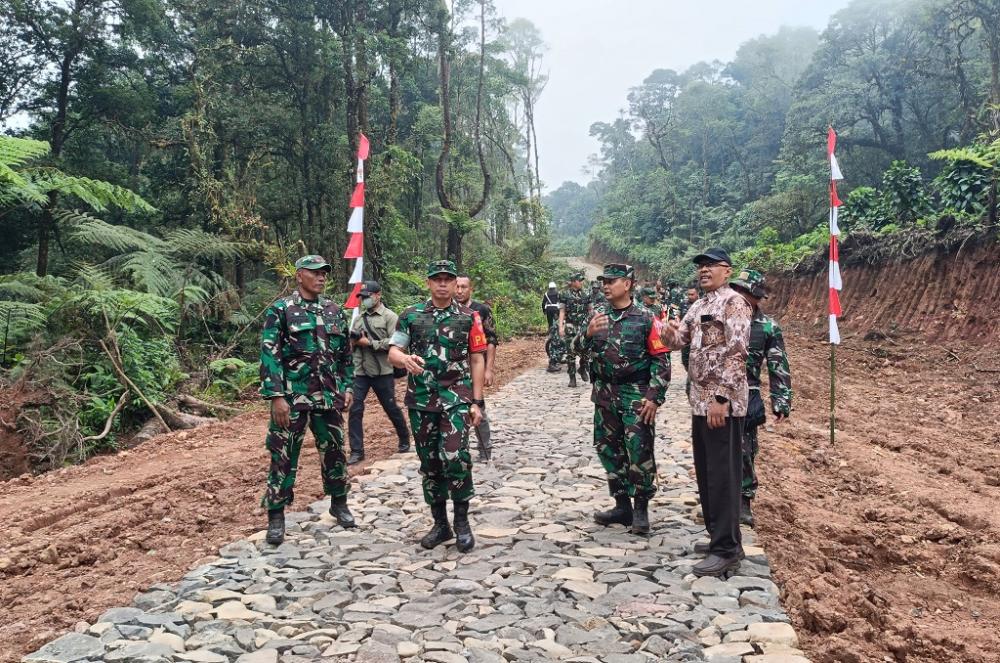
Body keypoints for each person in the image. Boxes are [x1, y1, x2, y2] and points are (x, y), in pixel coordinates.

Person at [660, 247, 751, 577]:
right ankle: (720, 537)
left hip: (721, 405)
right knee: (707, 472)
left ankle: (727, 549)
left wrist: (722, 398)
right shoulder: (698, 305)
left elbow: (738, 352)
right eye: (700, 266)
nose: (704, 270)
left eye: (711, 265)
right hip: (699, 402)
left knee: (723, 475)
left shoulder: (734, 303)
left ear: (727, 270)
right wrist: (668, 333)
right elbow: (678, 342)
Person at [389, 260, 487, 553]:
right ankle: (440, 523)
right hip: (421, 401)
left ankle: (462, 523)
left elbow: (477, 358)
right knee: (430, 465)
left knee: (456, 457)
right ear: (429, 283)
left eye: (448, 279)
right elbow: (394, 350)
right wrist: (403, 359)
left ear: (456, 283)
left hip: (456, 399)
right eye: (437, 279)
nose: (442, 284)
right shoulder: (411, 316)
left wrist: (477, 401)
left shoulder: (469, 318)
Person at [259, 255, 356, 545]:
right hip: (292, 398)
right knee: (283, 456)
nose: (322, 277)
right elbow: (269, 354)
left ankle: (339, 503)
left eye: (324, 273)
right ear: (299, 275)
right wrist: (276, 395)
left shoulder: (333, 310)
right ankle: (276, 516)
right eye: (315, 273)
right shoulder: (281, 310)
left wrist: (348, 386)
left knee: (336, 451)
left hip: (328, 397)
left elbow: (345, 356)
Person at [575, 264, 670, 535]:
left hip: (635, 394)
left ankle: (640, 508)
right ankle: (621, 505)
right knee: (608, 448)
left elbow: (661, 360)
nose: (606, 285)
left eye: (612, 281)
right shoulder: (598, 316)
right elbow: (575, 348)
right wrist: (587, 334)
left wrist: (654, 397)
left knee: (639, 449)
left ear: (627, 284)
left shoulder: (647, 318)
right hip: (604, 394)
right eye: (604, 281)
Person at [728, 269, 792, 528]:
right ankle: (720, 501)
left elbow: (778, 364)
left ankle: (744, 502)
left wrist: (781, 400)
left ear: (756, 297)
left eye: (745, 292)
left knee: (745, 450)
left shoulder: (768, 327)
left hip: (748, 394)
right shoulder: (721, 319)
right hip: (716, 395)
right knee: (718, 451)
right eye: (737, 290)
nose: (739, 296)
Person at [347, 280, 411, 465]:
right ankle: (357, 451)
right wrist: (353, 342)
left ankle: (404, 438)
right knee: (355, 409)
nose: (365, 300)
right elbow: (354, 344)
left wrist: (371, 344)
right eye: (362, 297)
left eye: (368, 296)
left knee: (390, 406)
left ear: (378, 295)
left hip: (383, 370)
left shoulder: (390, 317)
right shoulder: (359, 318)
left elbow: (396, 343)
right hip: (361, 370)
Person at [455, 274, 498, 463]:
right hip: (455, 369)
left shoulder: (481, 310)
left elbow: (491, 341)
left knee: (477, 406)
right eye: (457, 286)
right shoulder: (449, 310)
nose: (459, 290)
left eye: (464, 287)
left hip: (475, 367)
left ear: (470, 289)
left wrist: (488, 369)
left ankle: (484, 448)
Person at [559, 272, 591, 387]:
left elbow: (590, 310)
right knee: (570, 352)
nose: (581, 282)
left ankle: (582, 368)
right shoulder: (564, 294)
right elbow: (562, 311)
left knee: (586, 351)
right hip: (570, 326)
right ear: (573, 282)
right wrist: (560, 327)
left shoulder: (586, 293)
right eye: (579, 280)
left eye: (581, 280)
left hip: (583, 326)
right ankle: (572, 378)